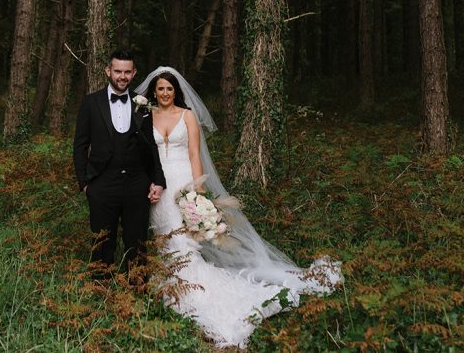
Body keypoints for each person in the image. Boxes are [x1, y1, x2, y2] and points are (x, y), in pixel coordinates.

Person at [139, 66, 343, 348]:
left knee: (184, 240)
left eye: (169, 89)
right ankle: (170, 284)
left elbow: (195, 154)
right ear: (153, 91)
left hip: (183, 183)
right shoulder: (146, 116)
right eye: (160, 88)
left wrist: (198, 192)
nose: (164, 93)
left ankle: (190, 291)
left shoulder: (187, 116)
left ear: (176, 91)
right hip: (157, 186)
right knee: (163, 236)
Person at [73, 50, 166, 274]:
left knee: (137, 240)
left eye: (127, 72)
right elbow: (80, 145)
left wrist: (158, 179)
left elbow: (150, 145)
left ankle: (137, 286)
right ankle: (100, 289)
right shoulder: (91, 102)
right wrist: (85, 183)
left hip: (136, 182)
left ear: (133, 73)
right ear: (108, 71)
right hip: (102, 183)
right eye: (117, 71)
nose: (122, 76)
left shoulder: (142, 104)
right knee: (103, 239)